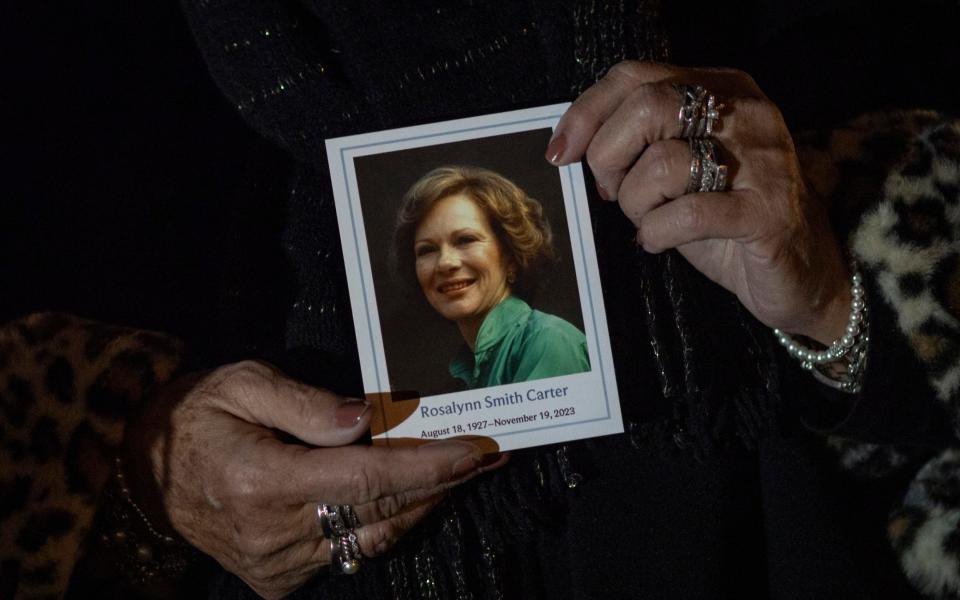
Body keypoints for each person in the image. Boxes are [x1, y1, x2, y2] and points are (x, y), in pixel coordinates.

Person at [4, 1, 960, 599]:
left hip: (752, 525)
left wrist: (829, 300)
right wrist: (144, 463)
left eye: (470, 240)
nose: (450, 266)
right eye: (430, 247)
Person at [393, 166, 590, 390]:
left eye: (466, 240)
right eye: (426, 250)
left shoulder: (549, 342)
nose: (445, 263)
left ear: (511, 257)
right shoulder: (467, 368)